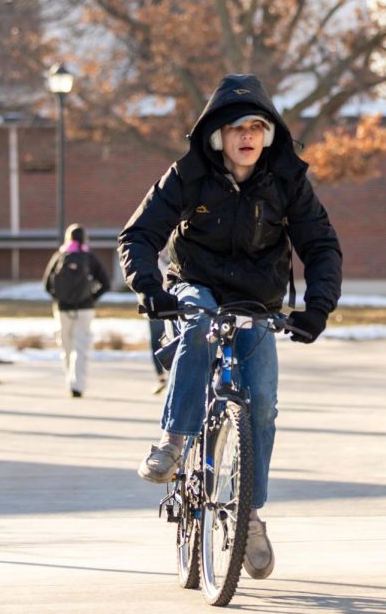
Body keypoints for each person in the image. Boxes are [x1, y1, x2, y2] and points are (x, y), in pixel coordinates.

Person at [118, 72, 342, 581]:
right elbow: (138, 235)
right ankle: (173, 443)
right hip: (196, 283)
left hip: (257, 299)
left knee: (261, 405)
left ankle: (251, 516)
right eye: (237, 126)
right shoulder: (188, 174)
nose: (248, 136)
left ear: (269, 135)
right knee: (196, 326)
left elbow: (321, 247)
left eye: (258, 127)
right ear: (218, 134)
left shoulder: (287, 182)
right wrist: (150, 288)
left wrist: (317, 307)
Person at [43, 223, 111, 398]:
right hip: (85, 309)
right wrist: (90, 298)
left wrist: (60, 298)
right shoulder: (89, 257)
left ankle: (69, 379)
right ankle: (77, 385)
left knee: (66, 346)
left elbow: (46, 284)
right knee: (80, 347)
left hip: (62, 309)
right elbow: (106, 283)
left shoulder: (60, 255)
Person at [147, 246, 173, 395]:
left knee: (172, 341)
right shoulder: (154, 260)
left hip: (172, 307)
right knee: (157, 344)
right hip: (157, 307)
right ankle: (161, 378)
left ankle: (169, 378)